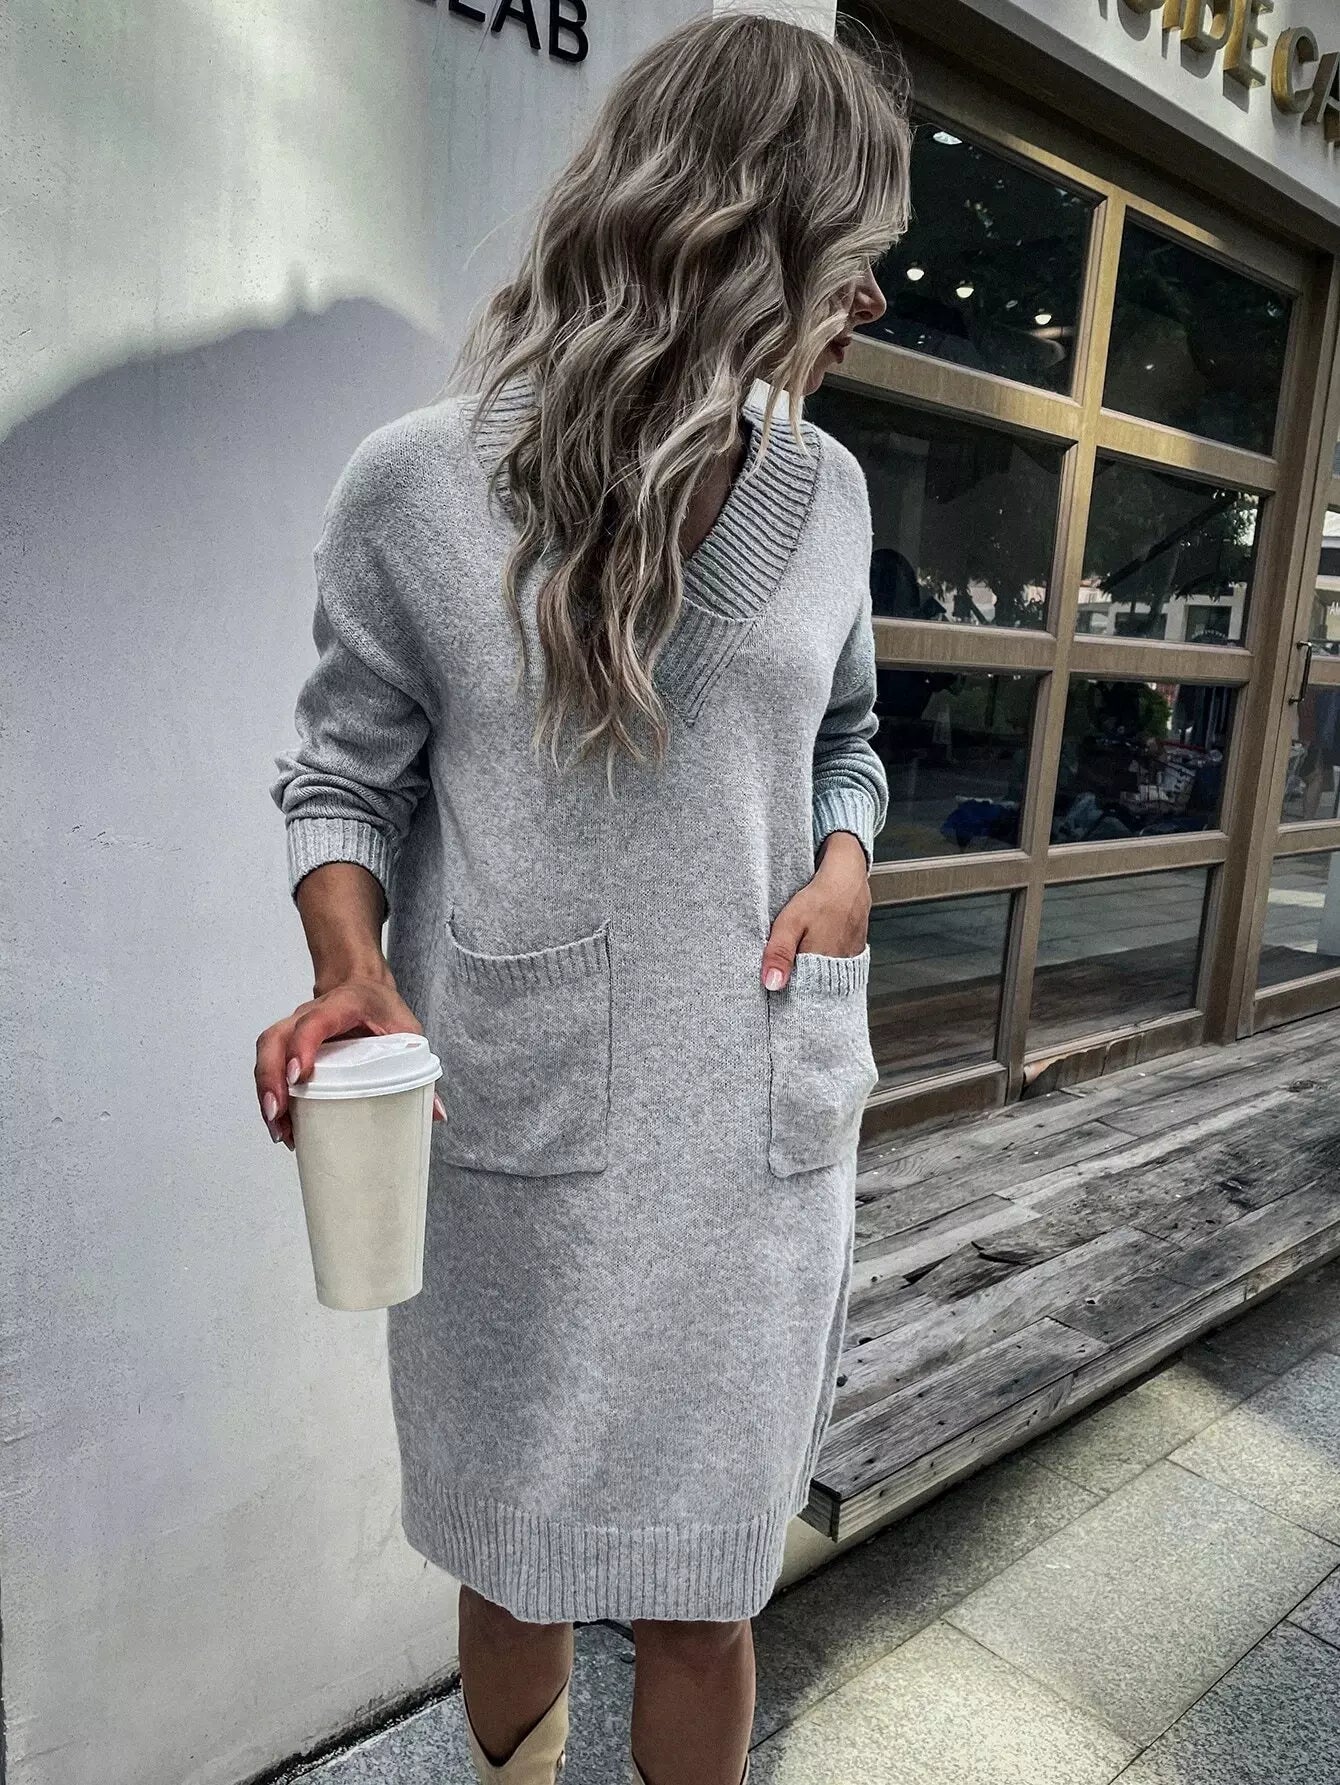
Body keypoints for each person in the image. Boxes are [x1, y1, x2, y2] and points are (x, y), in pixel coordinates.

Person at [255, 14, 910, 1783]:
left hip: (758, 1147)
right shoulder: (418, 490)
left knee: (709, 1589)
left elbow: (851, 736)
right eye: (851, 254)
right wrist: (348, 961)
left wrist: (847, 860)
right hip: (522, 1140)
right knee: (516, 1545)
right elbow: (342, 775)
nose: (869, 299)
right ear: (742, 232)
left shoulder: (831, 496)